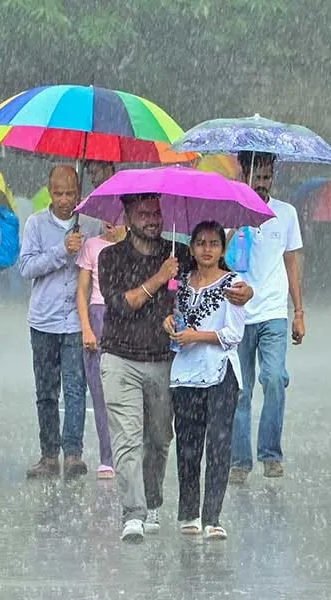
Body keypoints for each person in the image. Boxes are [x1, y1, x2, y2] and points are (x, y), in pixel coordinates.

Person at [98, 194, 253, 542]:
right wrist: (159, 278)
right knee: (126, 439)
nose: (152, 219)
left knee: (159, 439)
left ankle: (154, 503)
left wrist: (248, 292)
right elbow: (122, 305)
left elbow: (216, 275)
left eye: (156, 213)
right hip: (119, 357)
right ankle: (134, 513)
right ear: (127, 216)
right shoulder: (110, 257)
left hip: (164, 362)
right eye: (144, 214)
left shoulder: (180, 253)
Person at [163, 221, 245, 541]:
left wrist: (198, 336)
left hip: (221, 371)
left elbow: (233, 334)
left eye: (213, 243)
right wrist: (169, 323)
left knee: (218, 444)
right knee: (187, 446)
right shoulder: (180, 282)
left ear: (222, 249)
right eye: (201, 243)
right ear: (192, 247)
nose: (207, 249)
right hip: (185, 373)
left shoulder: (234, 284)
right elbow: (173, 318)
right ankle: (189, 512)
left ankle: (212, 516)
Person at [22, 165, 102, 480]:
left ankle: (73, 454)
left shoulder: (91, 225)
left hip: (75, 322)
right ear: (49, 191)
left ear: (79, 192)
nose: (65, 200)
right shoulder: (36, 224)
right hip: (43, 321)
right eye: (58, 193)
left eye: (70, 193)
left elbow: (98, 265)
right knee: (46, 391)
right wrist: (61, 250)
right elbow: (27, 267)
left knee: (74, 389)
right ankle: (48, 455)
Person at [229, 151, 305, 484]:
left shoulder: (285, 213)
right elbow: (218, 256)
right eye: (255, 177)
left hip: (274, 312)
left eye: (266, 178)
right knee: (239, 391)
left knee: (274, 379)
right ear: (242, 173)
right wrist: (239, 221)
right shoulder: (230, 208)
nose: (261, 184)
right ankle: (239, 461)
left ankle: (270, 454)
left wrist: (298, 311)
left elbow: (291, 263)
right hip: (238, 314)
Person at [76, 218, 127, 479]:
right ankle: (107, 456)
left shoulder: (134, 247)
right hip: (97, 316)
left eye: (118, 218)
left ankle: (127, 454)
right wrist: (86, 326)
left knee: (126, 392)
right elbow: (82, 291)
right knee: (99, 392)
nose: (111, 223)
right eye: (107, 219)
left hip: (126, 318)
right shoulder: (91, 246)